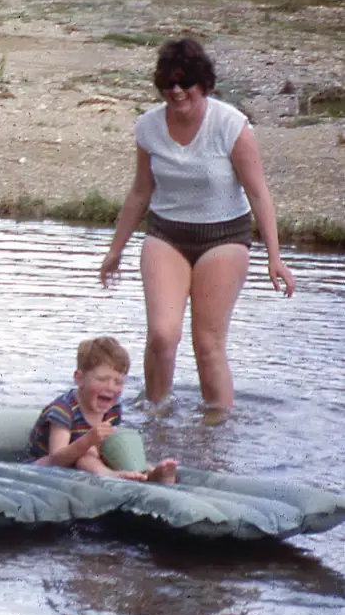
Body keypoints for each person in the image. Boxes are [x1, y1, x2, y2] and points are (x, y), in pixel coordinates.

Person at [99, 37, 295, 413]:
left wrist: (275, 258)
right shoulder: (148, 127)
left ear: (202, 84)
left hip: (224, 237)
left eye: (185, 83)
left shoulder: (230, 125)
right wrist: (114, 251)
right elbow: (140, 192)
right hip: (166, 234)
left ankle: (216, 427)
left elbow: (258, 194)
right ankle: (155, 416)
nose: (176, 92)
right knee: (161, 335)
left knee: (207, 343)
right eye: (168, 84)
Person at [28, 336, 177, 483]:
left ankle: (148, 473)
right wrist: (88, 441)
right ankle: (109, 475)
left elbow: (109, 447)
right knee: (88, 453)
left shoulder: (112, 409)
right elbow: (55, 459)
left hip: (89, 461)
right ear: (79, 379)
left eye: (118, 382)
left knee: (117, 447)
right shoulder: (63, 411)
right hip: (44, 465)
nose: (111, 387)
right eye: (102, 379)